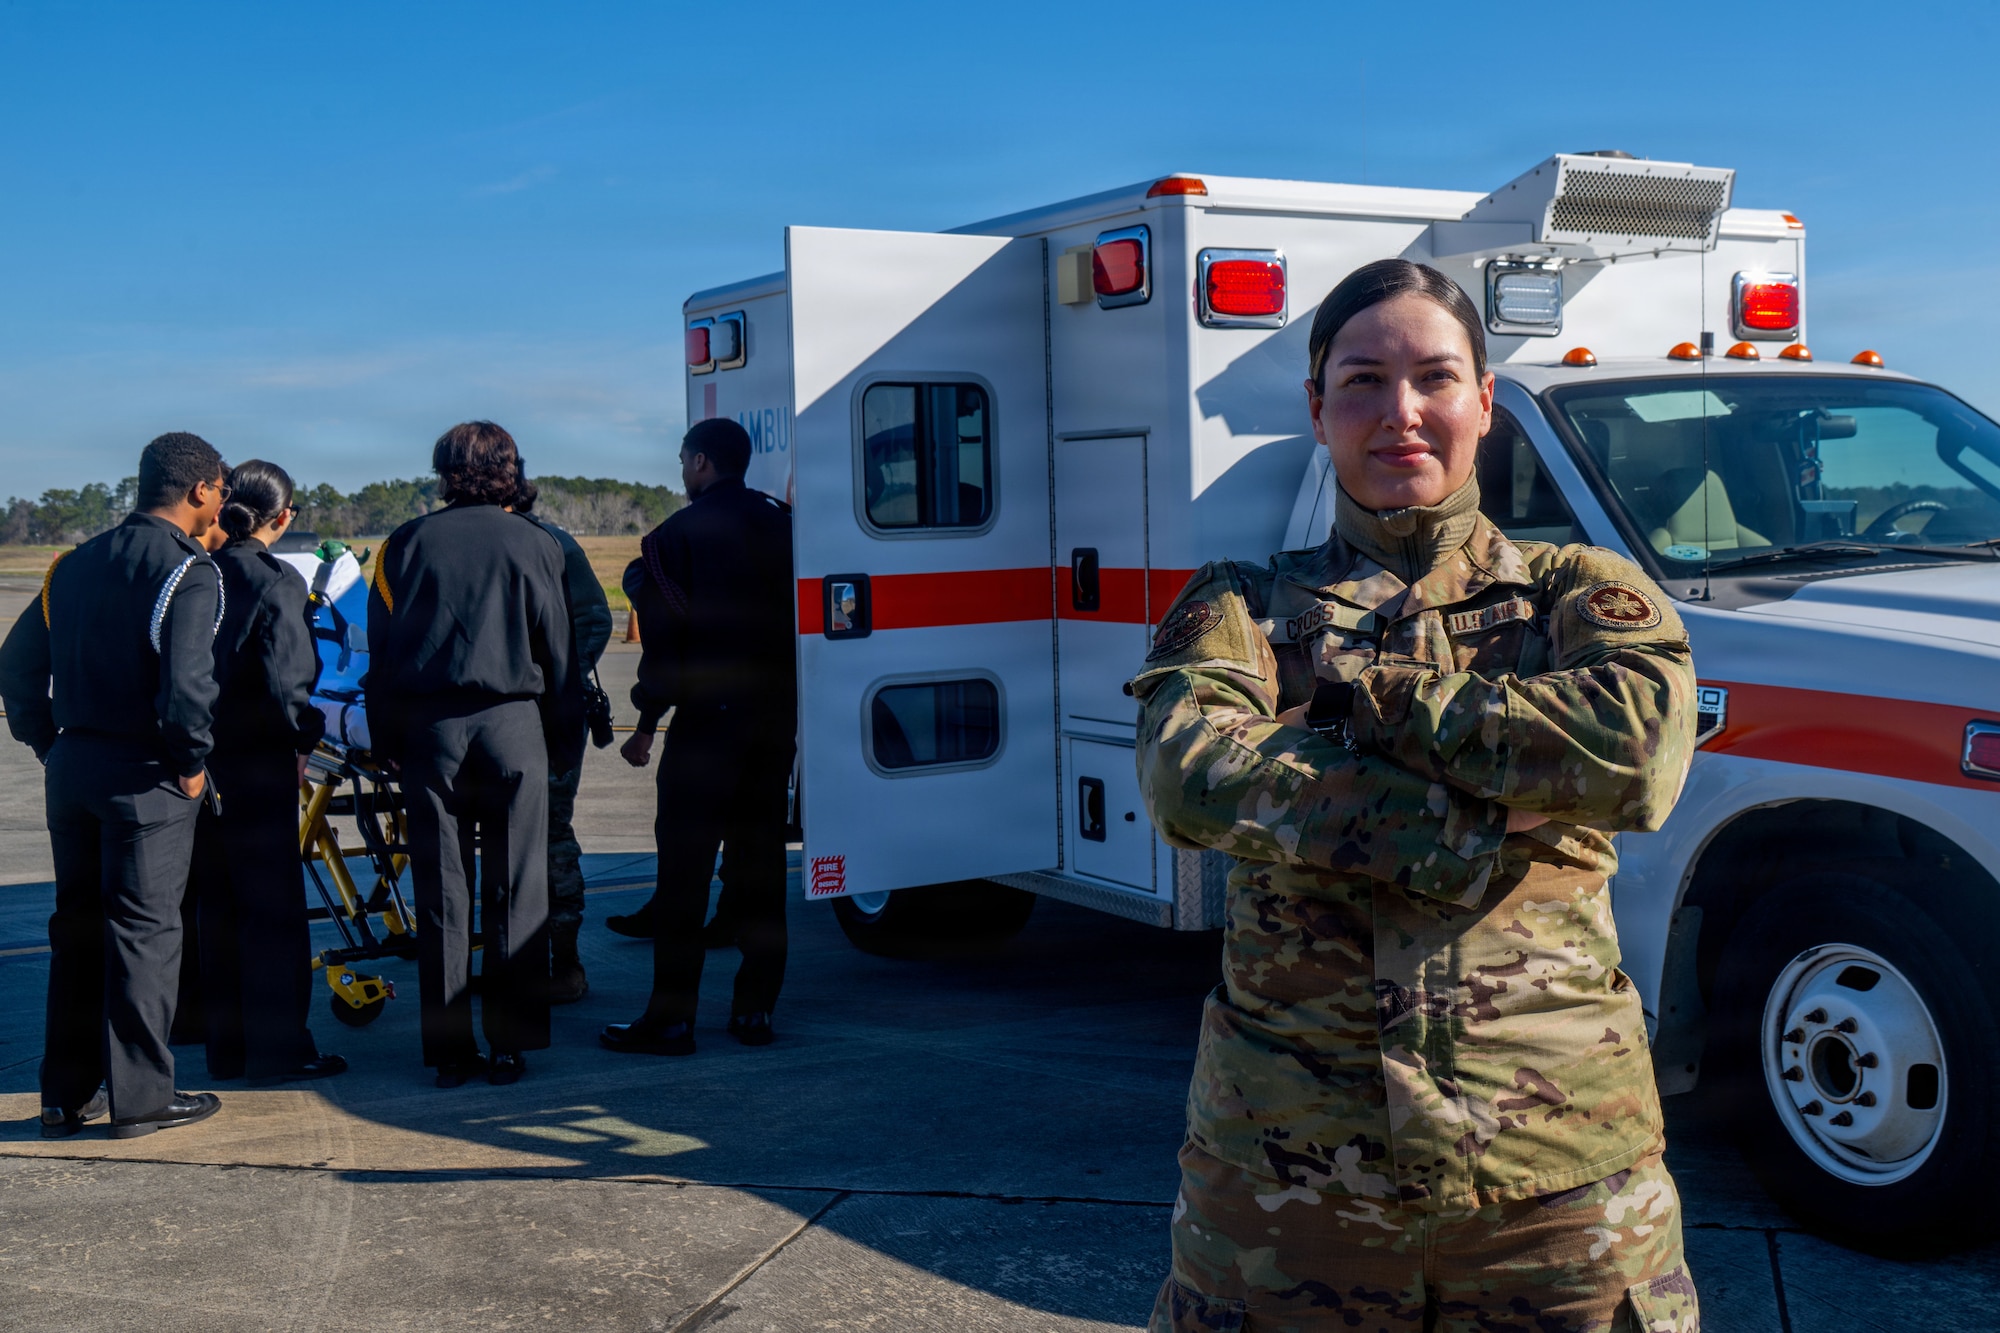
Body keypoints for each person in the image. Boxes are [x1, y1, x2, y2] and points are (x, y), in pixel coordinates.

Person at [1133, 260, 1701, 1332]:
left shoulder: (1576, 593)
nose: (1399, 412)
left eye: (1434, 377)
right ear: (1315, 411)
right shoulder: (1236, 606)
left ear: (1483, 402)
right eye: (1360, 380)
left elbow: (1631, 756)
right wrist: (1464, 819)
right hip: (1285, 1183)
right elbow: (1183, 778)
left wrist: (1360, 700)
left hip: (1553, 1178)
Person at [0, 432, 230, 1139]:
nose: (221, 501)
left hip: (73, 767)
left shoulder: (70, 565)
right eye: (219, 489)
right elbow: (188, 687)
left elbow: (15, 665)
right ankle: (142, 1098)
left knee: (76, 932)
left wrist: (48, 742)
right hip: (146, 773)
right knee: (146, 932)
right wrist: (192, 763)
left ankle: (64, 1096)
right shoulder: (189, 572)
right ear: (198, 490)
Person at [366, 421, 585, 1088]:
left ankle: (450, 1048)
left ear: (444, 470)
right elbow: (561, 652)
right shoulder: (537, 543)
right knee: (518, 889)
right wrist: (561, 737)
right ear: (509, 469)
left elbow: (382, 657)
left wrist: (387, 745)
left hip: (433, 732)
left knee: (441, 892)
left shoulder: (403, 545)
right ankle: (512, 1040)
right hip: (515, 725)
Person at [600, 418, 795, 1056]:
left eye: (684, 460)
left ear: (703, 463)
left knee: (684, 876)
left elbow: (665, 650)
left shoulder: (670, 540)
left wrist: (647, 725)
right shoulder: (785, 525)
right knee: (762, 868)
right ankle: (755, 1011)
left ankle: (673, 1018)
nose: (682, 471)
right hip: (773, 726)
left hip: (706, 728)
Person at [187, 459, 344, 1082]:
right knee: (272, 911)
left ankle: (226, 1047)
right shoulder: (274, 579)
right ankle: (278, 1047)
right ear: (282, 518)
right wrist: (304, 739)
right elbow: (288, 678)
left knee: (217, 906)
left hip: (201, 759)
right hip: (258, 759)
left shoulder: (198, 573)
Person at [513, 486, 614, 1002]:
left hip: (550, 719)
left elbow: (596, 619)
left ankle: (566, 963)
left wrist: (550, 681)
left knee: (551, 836)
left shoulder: (552, 543)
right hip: (502, 719)